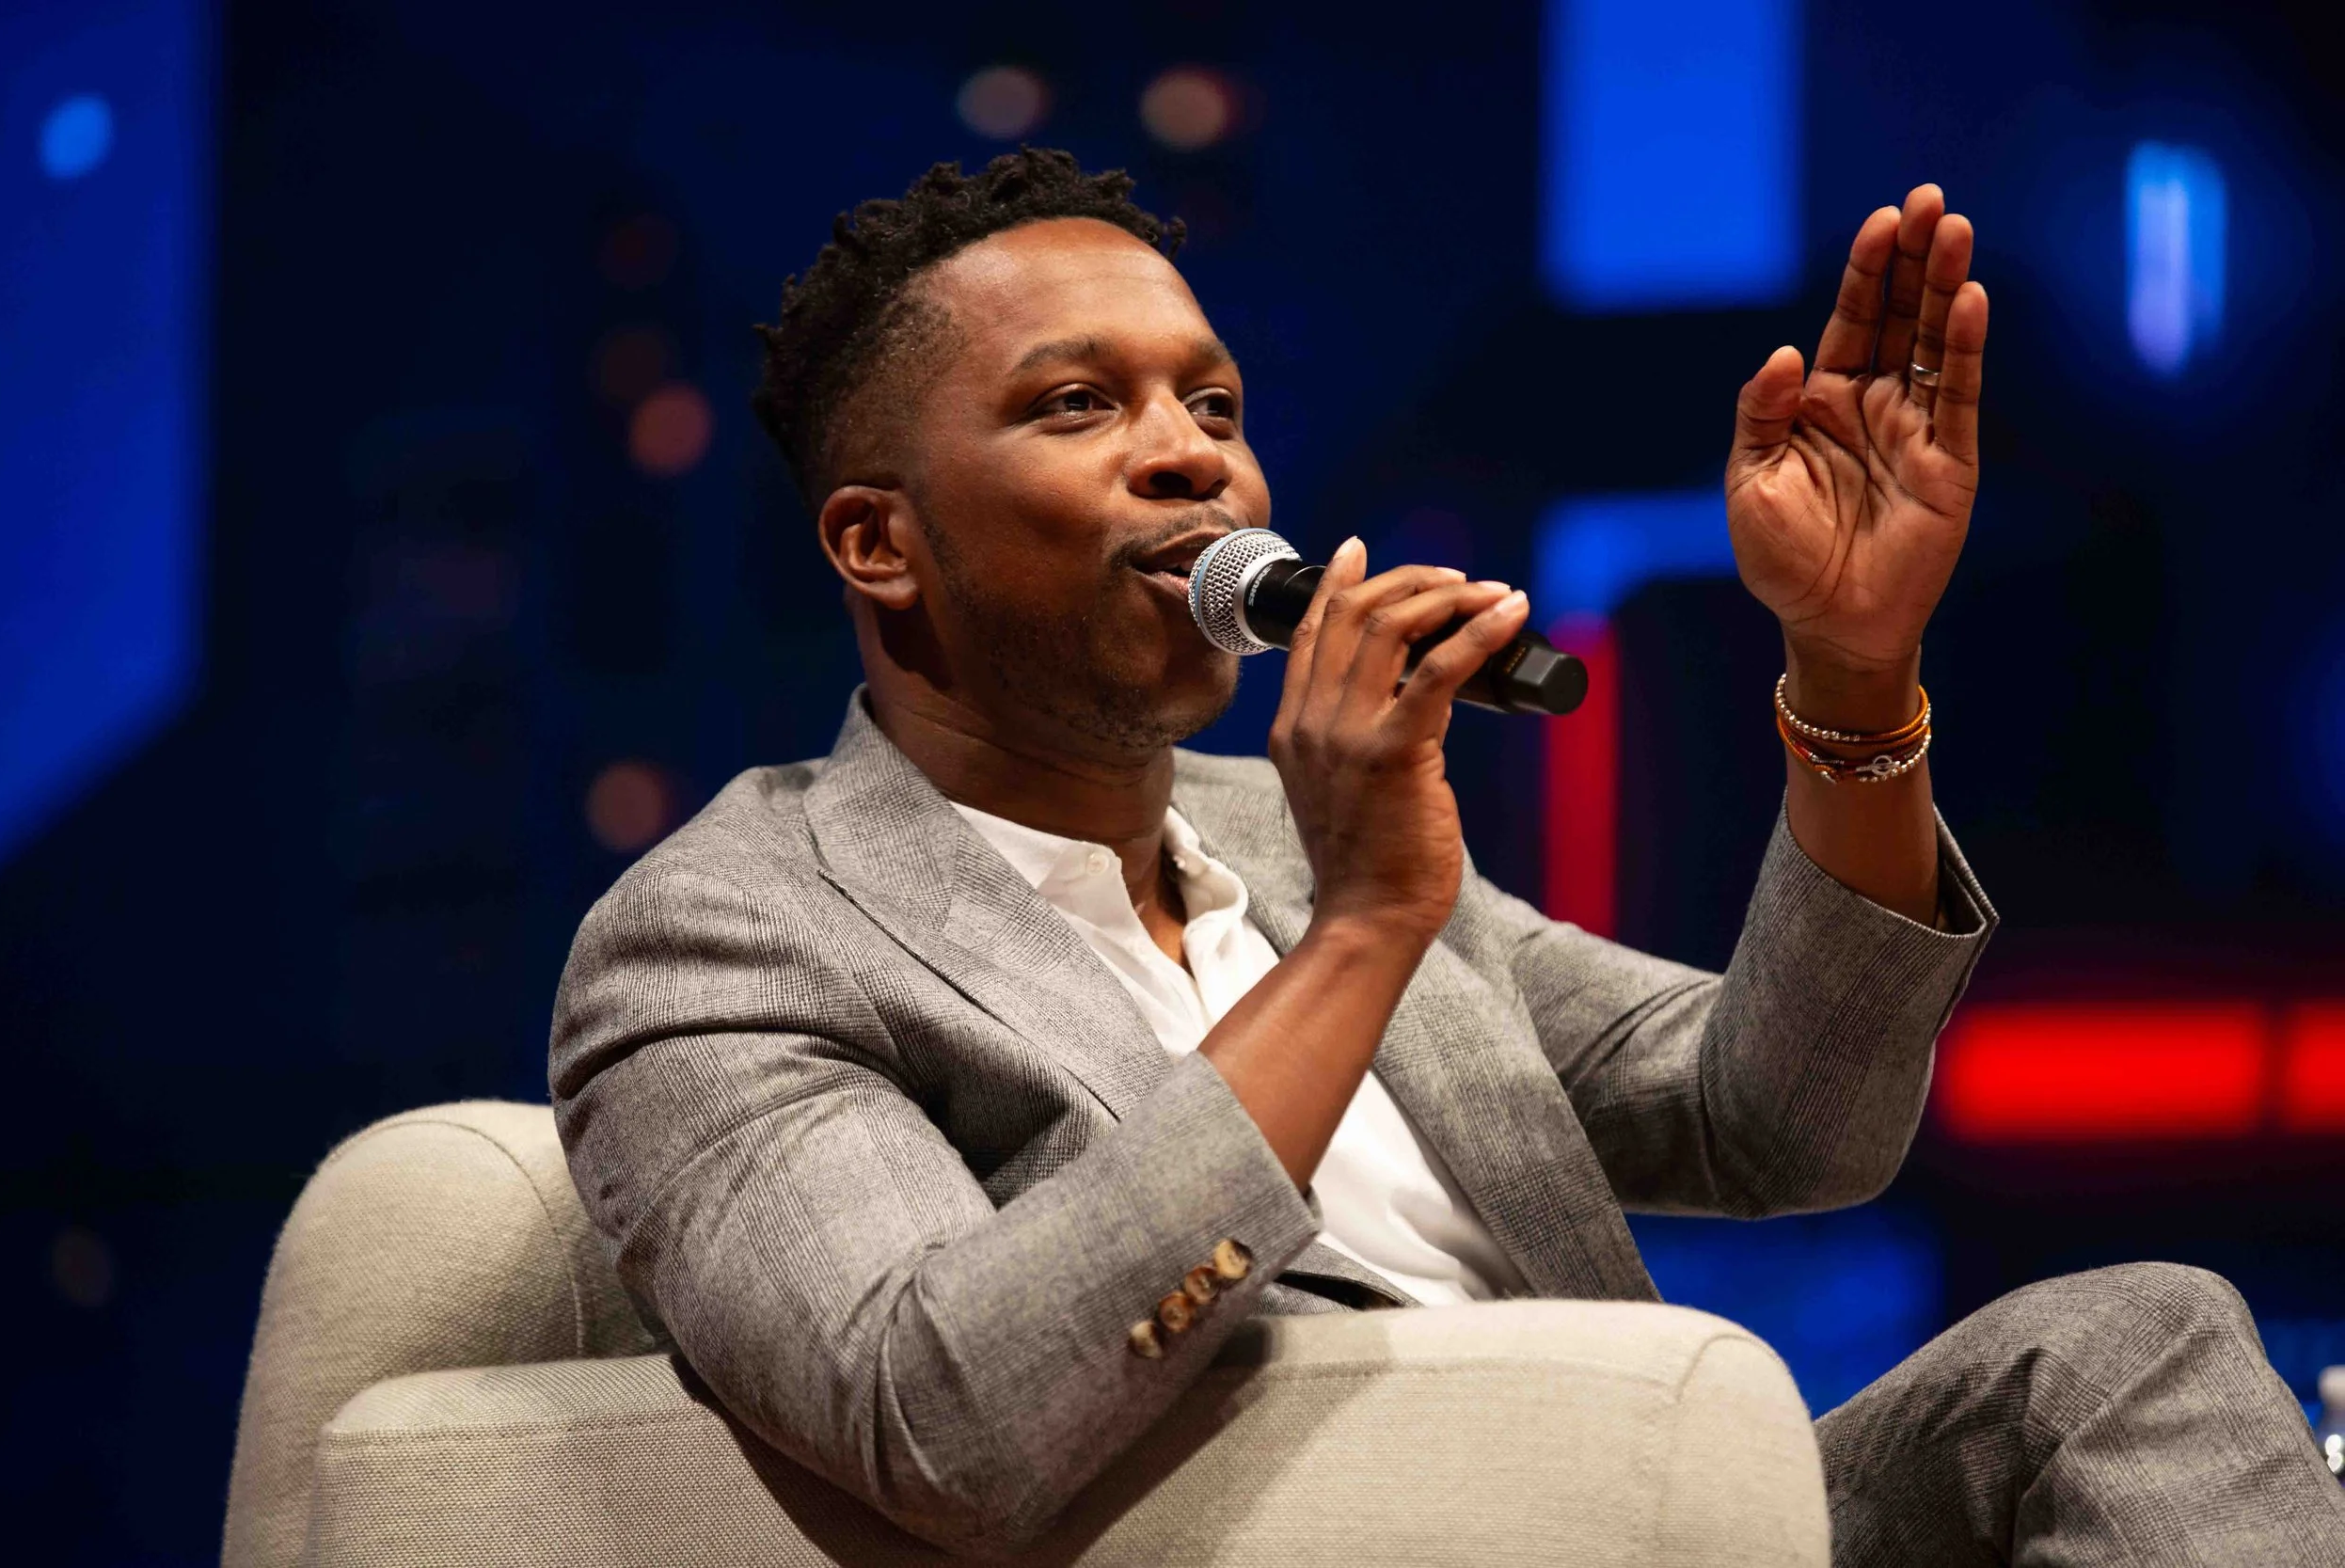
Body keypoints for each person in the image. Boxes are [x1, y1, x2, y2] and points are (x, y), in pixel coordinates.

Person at [548, 148, 2344, 1562]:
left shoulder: (1285, 835)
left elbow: (1784, 1119)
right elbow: (943, 1416)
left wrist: (1850, 670)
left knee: (2143, 1339)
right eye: (1079, 405)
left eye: (1218, 406)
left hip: (1639, 1509)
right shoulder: (729, 934)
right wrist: (1366, 937)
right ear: (880, 542)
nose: (1194, 463)